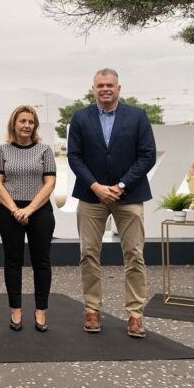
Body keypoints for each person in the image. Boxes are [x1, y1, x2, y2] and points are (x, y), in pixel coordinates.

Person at [68, 68, 156, 338]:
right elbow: (74, 156)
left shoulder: (137, 116)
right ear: (93, 89)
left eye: (110, 85)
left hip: (128, 195)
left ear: (119, 88)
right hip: (91, 195)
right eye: (100, 85)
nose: (105, 89)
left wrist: (120, 185)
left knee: (134, 256)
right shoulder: (81, 117)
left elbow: (147, 155)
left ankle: (135, 315)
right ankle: (92, 309)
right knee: (89, 255)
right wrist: (95, 186)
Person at [0, 105, 56, 332]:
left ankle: (40, 311)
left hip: (39, 210)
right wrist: (14, 209)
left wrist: (28, 209)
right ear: (14, 124)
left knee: (41, 261)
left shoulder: (45, 150)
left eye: (31, 122)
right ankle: (16, 311)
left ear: (35, 125)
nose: (27, 125)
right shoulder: (2, 150)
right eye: (22, 121)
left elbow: (49, 183)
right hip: (9, 211)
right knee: (13, 261)